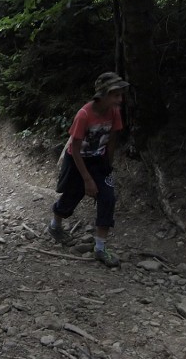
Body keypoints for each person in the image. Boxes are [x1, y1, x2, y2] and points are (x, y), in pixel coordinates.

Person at [48, 72, 130, 268]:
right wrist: (87, 179)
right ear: (102, 95)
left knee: (108, 198)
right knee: (71, 197)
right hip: (77, 160)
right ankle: (55, 225)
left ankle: (100, 248)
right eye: (115, 94)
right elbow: (75, 148)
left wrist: (107, 167)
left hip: (98, 159)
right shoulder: (84, 115)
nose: (120, 99)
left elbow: (112, 140)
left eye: (120, 94)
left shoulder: (114, 112)